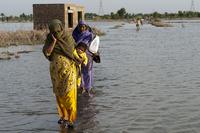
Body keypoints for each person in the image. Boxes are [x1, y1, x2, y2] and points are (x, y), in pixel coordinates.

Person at [42, 19, 83, 127]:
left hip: (69, 71)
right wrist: (54, 41)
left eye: (59, 31)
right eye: (54, 32)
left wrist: (79, 59)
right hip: (56, 73)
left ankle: (71, 119)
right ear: (51, 32)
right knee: (60, 95)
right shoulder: (49, 40)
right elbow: (48, 53)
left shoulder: (68, 38)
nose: (57, 34)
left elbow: (73, 52)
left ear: (61, 28)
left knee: (69, 95)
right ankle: (63, 116)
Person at [72, 21, 99, 96]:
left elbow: (95, 45)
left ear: (86, 27)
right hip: (78, 58)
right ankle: (82, 88)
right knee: (79, 73)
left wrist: (96, 53)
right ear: (78, 27)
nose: (81, 28)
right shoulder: (74, 35)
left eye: (83, 27)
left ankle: (88, 90)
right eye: (80, 26)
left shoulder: (90, 36)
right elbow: (72, 47)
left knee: (88, 74)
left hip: (88, 57)